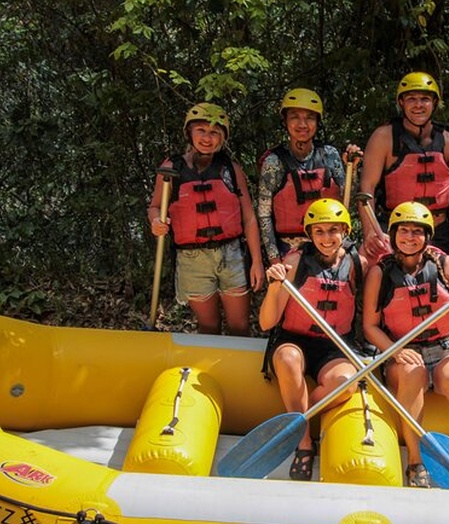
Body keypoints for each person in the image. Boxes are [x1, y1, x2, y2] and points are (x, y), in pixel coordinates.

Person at [361, 201, 449, 488]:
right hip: (404, 350)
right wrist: (396, 350)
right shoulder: (380, 273)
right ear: (393, 235)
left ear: (428, 236)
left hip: (447, 345)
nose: (409, 237)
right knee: (412, 373)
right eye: (403, 231)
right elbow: (369, 327)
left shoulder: (444, 264)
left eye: (417, 232)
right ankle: (415, 462)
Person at [259, 198, 368, 480]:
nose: (327, 238)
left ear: (345, 231)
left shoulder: (358, 263)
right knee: (287, 358)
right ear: (309, 234)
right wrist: (273, 288)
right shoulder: (294, 262)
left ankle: (297, 420)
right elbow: (266, 322)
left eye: (333, 230)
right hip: (294, 340)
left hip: (334, 346)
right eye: (319, 231)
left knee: (345, 384)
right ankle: (304, 443)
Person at [148, 102, 264, 335]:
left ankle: (236, 370)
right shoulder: (171, 168)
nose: (207, 138)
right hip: (192, 259)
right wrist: (155, 222)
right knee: (208, 326)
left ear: (222, 138)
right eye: (201, 130)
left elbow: (249, 218)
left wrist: (257, 262)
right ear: (189, 132)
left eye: (214, 132)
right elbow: (155, 207)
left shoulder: (231, 169)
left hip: (231, 254)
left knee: (239, 326)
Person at [358, 72, 449, 268]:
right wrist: (370, 232)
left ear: (434, 103)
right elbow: (367, 187)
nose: (418, 105)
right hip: (395, 231)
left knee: (447, 290)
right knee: (367, 269)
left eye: (425, 99)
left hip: (438, 230)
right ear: (401, 103)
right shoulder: (384, 138)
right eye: (411, 99)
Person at [257, 88, 362, 266]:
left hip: (330, 245)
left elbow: (348, 201)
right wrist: (274, 258)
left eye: (310, 118)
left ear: (317, 122)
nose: (302, 124)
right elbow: (264, 214)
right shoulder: (274, 162)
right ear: (285, 121)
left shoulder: (330, 155)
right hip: (290, 248)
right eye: (295, 117)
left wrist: (352, 168)